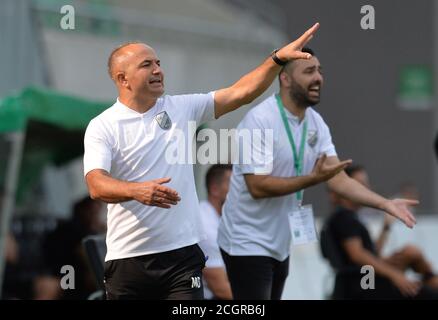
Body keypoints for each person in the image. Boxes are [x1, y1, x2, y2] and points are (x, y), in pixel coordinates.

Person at [83, 23, 321, 300]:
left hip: (182, 259)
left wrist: (277, 58)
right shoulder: (103, 125)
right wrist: (137, 191)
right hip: (129, 260)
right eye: (147, 65)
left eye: (158, 63)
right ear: (123, 79)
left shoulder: (182, 108)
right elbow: (96, 185)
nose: (158, 70)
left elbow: (240, 92)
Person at [217, 47, 418, 300]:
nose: (318, 78)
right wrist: (312, 179)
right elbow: (257, 186)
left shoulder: (316, 122)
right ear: (285, 78)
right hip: (246, 241)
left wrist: (384, 204)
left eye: (320, 71)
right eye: (309, 71)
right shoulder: (260, 120)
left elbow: (338, 178)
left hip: (279, 243)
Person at [325, 165, 438, 299]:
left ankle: (432, 280)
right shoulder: (343, 218)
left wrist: (386, 227)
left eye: (366, 184)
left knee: (411, 252)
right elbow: (358, 256)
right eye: (360, 184)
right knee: (427, 294)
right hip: (363, 283)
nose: (366, 189)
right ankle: (432, 282)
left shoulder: (349, 217)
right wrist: (395, 275)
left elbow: (372, 253)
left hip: (363, 277)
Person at [198, 164, 233, 300]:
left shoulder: (220, 219)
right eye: (232, 184)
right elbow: (221, 290)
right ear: (214, 189)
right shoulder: (206, 227)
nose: (238, 191)